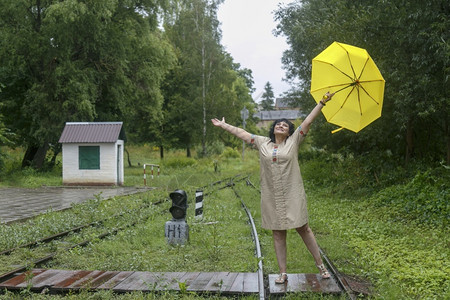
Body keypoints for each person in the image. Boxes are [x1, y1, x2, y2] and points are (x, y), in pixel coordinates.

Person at [211, 92, 334, 284]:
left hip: (292, 193)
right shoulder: (263, 143)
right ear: (273, 128)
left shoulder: (293, 142)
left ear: (289, 132)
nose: (281, 125)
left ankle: (321, 266)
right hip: (271, 195)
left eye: (285, 125)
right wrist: (224, 125)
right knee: (277, 232)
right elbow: (243, 134)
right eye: (278, 123)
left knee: (303, 228)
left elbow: (308, 121)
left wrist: (322, 102)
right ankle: (282, 272)